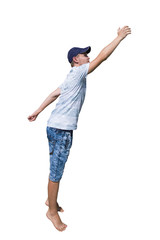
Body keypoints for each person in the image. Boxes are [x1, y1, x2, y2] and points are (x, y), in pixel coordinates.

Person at [28, 26, 131, 232]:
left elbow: (53, 94)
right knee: (56, 171)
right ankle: (51, 212)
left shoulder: (70, 77)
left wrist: (38, 111)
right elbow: (102, 57)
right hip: (61, 130)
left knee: (54, 167)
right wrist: (119, 38)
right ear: (76, 59)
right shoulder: (78, 72)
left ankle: (51, 200)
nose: (88, 57)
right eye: (85, 55)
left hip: (52, 126)